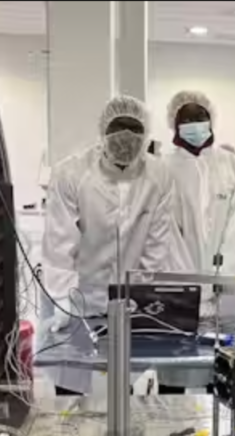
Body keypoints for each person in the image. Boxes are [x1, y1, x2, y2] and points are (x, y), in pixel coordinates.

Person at [42, 95, 187, 331]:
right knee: (79, 362)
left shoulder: (159, 176)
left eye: (134, 129)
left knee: (131, 365)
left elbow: (156, 245)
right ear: (103, 132)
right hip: (80, 300)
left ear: (146, 135)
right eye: (118, 128)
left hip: (130, 304)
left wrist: (140, 295)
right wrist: (62, 300)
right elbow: (59, 243)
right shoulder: (72, 173)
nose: (126, 137)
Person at [163, 90, 235, 281]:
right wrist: (187, 283)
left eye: (200, 117)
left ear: (211, 121)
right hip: (179, 286)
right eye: (186, 120)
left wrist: (222, 276)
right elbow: (167, 234)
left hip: (224, 287)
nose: (194, 124)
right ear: (175, 124)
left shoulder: (232, 166)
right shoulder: (164, 168)